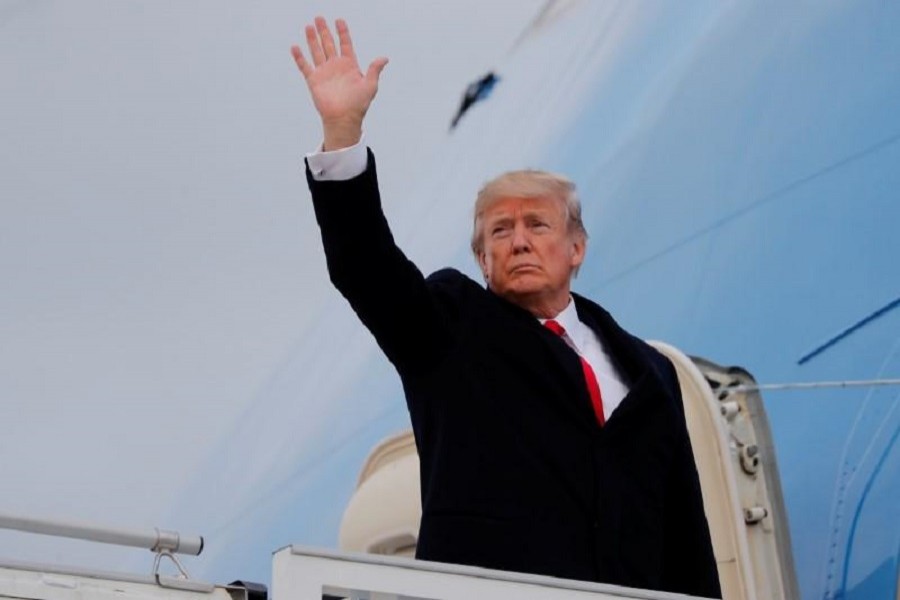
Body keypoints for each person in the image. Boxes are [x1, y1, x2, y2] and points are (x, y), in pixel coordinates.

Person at [290, 17, 722, 598]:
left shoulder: (651, 372)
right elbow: (366, 268)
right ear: (482, 259)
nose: (518, 241)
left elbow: (685, 538)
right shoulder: (452, 330)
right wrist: (342, 134)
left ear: (576, 248)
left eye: (536, 225)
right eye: (500, 231)